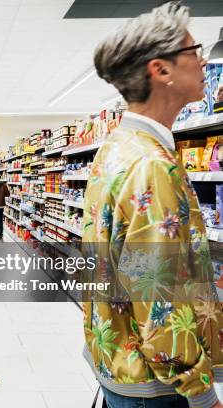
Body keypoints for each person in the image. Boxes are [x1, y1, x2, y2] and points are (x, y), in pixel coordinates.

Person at [84, 3, 222, 408]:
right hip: (158, 386)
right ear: (161, 70)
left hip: (119, 360)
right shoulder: (151, 165)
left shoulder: (116, 146)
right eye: (193, 50)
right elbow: (160, 296)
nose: (202, 60)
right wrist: (200, 392)